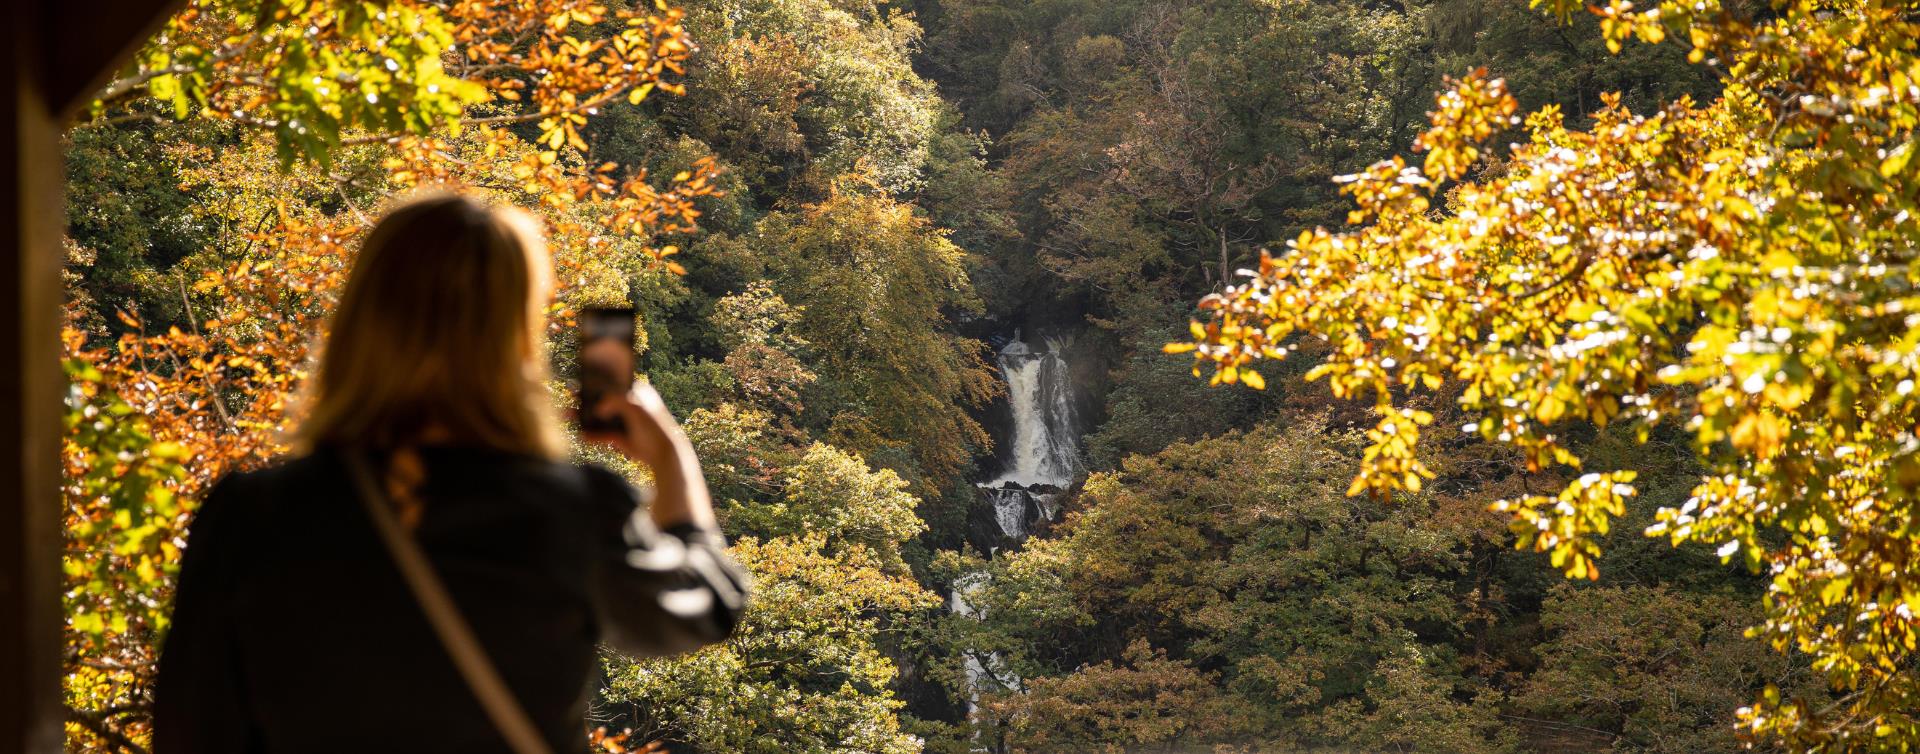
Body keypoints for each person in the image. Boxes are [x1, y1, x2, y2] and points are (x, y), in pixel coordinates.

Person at [152, 193, 747, 753]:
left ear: (361, 321)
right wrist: (671, 457)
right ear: (514, 339)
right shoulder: (570, 511)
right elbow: (701, 610)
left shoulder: (251, 515)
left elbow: (192, 729)